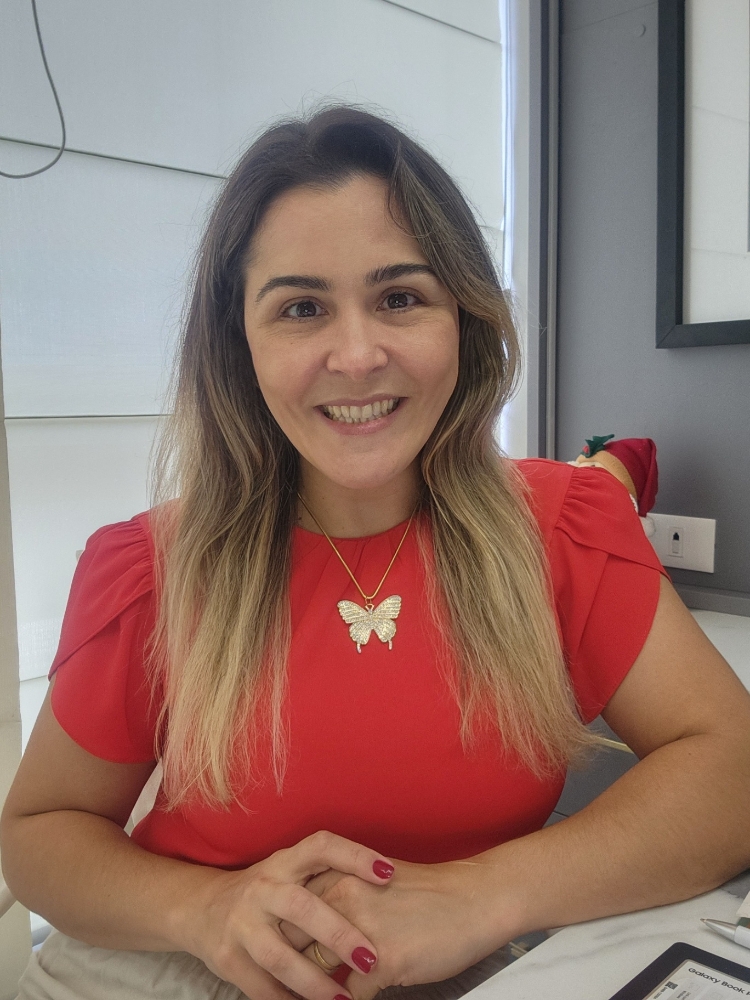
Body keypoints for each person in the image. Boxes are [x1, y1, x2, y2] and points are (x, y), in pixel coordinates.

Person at [3, 105, 750, 1000]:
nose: (356, 356)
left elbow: (732, 768)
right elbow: (38, 834)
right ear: (240, 343)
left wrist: (479, 896)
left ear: (463, 317)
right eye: (301, 308)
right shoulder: (149, 570)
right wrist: (202, 910)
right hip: (179, 969)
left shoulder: (565, 527)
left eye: (400, 297)